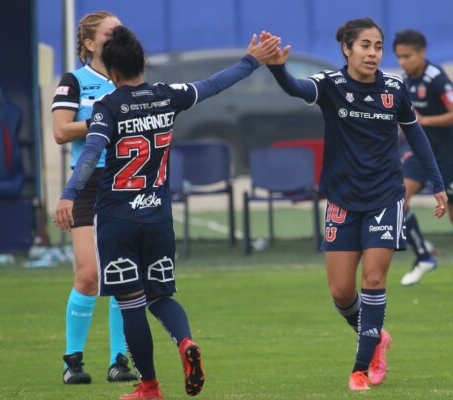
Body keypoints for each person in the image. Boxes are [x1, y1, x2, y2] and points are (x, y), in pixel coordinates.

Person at [54, 26, 281, 400]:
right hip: (158, 217)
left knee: (130, 304)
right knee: (160, 296)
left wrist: (68, 194)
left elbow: (91, 153)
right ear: (143, 62)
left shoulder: (107, 107)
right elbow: (212, 85)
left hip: (117, 218)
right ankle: (186, 342)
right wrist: (251, 60)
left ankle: (149, 387)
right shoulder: (166, 96)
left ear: (110, 72)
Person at [263, 19, 446, 391]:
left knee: (374, 280)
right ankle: (376, 336)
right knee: (341, 293)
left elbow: (416, 134)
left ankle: (361, 368)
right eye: (365, 45)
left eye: (378, 46)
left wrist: (437, 183)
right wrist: (279, 68)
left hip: (385, 197)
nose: (373, 53)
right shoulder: (330, 85)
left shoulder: (394, 89)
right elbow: (297, 89)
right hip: (342, 200)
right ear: (347, 49)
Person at [51, 11, 138, 384]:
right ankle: (73, 362)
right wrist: (103, 119)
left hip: (125, 181)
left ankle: (120, 359)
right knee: (88, 275)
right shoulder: (74, 82)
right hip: (87, 182)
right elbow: (59, 132)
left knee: (123, 273)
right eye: (110, 32)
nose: (119, 35)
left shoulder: (130, 76)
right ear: (89, 43)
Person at [392, 29, 453, 291]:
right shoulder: (404, 82)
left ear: (421, 53)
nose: (403, 62)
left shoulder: (437, 79)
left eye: (407, 56)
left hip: (449, 154)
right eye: (399, 57)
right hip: (421, 153)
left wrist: (425, 121)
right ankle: (424, 256)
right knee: (398, 199)